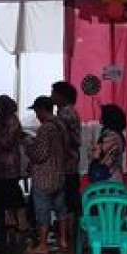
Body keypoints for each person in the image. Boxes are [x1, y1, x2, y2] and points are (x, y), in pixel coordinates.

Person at [24, 96, 68, 254]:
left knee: (42, 211)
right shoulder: (61, 125)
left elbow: (40, 155)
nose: (36, 115)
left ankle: (43, 245)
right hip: (59, 174)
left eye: (36, 111)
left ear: (42, 109)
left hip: (44, 177)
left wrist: (28, 144)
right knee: (61, 209)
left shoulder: (45, 128)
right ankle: (63, 239)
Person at [0, 95, 29, 236]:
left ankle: (22, 221)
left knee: (13, 191)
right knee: (4, 192)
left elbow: (7, 142)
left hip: (9, 164)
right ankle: (11, 220)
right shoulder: (0, 121)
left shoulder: (13, 121)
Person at [51, 81, 82, 240]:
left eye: (54, 93)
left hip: (67, 164)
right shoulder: (68, 112)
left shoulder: (65, 114)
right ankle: (70, 231)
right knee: (70, 196)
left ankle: (69, 232)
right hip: (70, 163)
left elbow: (62, 140)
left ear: (62, 96)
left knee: (68, 197)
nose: (51, 96)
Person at [89, 104, 127, 183]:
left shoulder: (110, 135)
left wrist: (92, 150)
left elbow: (99, 156)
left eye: (102, 115)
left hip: (108, 180)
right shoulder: (117, 134)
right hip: (113, 178)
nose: (100, 117)